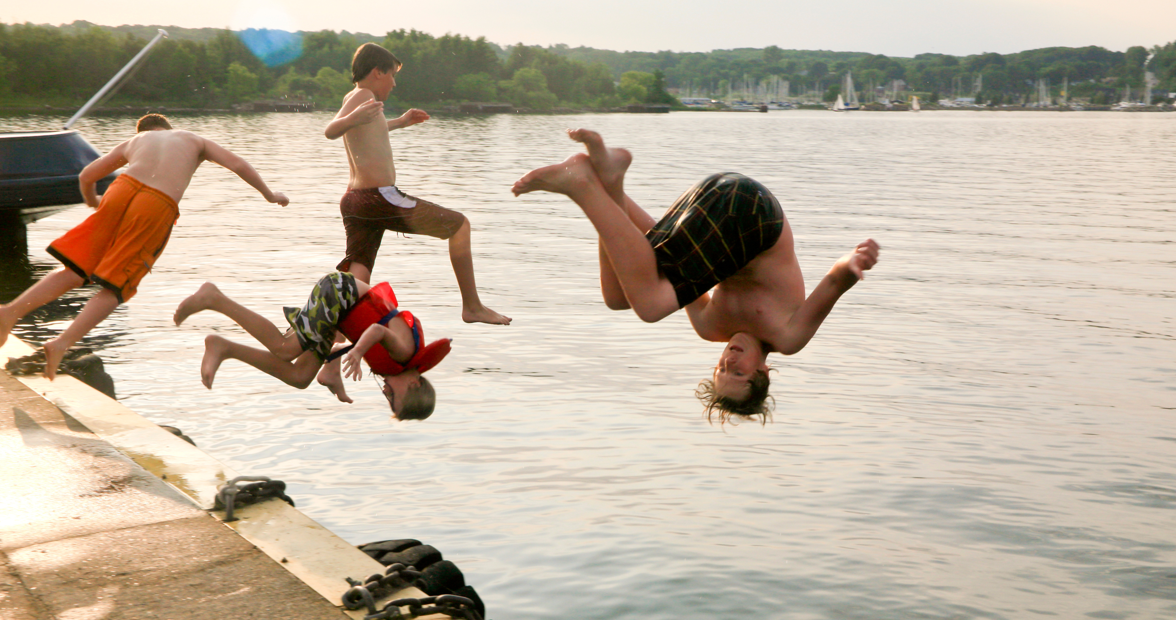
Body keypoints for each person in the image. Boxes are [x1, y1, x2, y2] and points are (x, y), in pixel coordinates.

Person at [511, 129, 880, 425]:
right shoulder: (786, 336)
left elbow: (658, 253)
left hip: (716, 198)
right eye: (738, 375)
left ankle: (609, 181)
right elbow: (833, 283)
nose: (729, 363)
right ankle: (582, 184)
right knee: (651, 306)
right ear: (763, 372)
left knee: (618, 297)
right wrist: (852, 263)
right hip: (752, 213)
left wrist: (618, 202)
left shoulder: (709, 325)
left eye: (720, 370)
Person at [0, 113, 288, 379]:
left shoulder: (135, 141)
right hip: (156, 204)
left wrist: (93, 203)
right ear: (167, 129)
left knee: (73, 270)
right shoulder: (193, 139)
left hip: (121, 189)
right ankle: (62, 343)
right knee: (114, 287)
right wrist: (269, 194)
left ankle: (9, 312)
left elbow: (87, 176)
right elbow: (237, 164)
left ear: (144, 131)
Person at [324, 42, 510, 326]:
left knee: (360, 270)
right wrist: (351, 117)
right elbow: (331, 130)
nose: (394, 83)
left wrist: (400, 121)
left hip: (356, 200)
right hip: (378, 197)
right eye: (392, 75)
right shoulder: (362, 95)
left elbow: (369, 130)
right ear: (377, 72)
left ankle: (332, 339)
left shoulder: (359, 98)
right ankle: (472, 306)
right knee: (459, 226)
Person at [172, 271, 451, 420]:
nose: (386, 393)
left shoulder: (395, 366)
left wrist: (334, 369)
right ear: (414, 384)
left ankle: (225, 348)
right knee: (285, 348)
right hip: (339, 293)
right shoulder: (403, 353)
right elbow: (376, 330)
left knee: (300, 376)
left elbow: (358, 335)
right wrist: (356, 352)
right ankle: (214, 298)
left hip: (339, 313)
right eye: (393, 397)